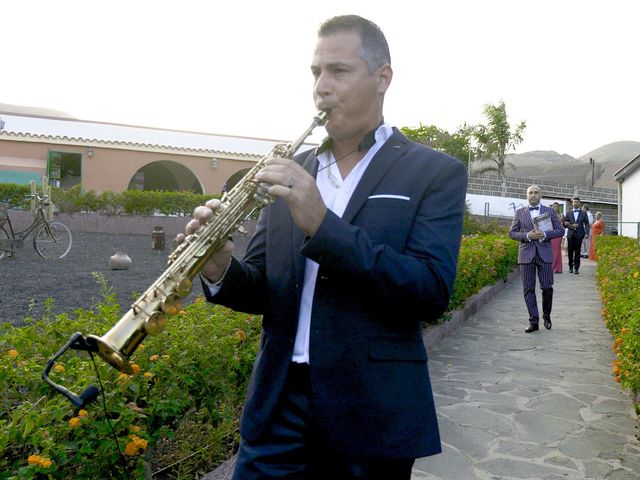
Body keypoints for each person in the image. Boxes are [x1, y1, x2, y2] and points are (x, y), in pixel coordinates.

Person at [176, 15, 467, 479]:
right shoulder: (291, 167)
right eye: (316, 73)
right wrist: (218, 266)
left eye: (339, 71)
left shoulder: (434, 172)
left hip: (370, 413)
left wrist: (322, 225)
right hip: (278, 406)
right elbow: (262, 290)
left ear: (383, 77)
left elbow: (430, 290)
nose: (321, 88)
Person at [508, 185, 564, 333]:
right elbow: (512, 233)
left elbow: (560, 230)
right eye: (530, 193)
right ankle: (534, 321)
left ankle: (547, 315)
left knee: (547, 287)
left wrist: (545, 235)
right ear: (527, 195)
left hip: (544, 254)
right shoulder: (520, 212)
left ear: (541, 195)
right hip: (526, 255)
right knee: (528, 289)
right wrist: (527, 236)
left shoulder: (550, 211)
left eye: (536, 193)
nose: (533, 195)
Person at [563, 197, 590, 274]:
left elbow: (587, 224)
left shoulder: (584, 213)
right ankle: (570, 267)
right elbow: (565, 224)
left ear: (579, 203)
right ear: (572, 203)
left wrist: (587, 233)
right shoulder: (568, 214)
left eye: (577, 202)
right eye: (574, 202)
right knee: (570, 251)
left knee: (578, 251)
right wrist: (571, 226)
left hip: (580, 234)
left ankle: (576, 268)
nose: (576, 203)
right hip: (570, 235)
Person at [550, 202, 563, 273]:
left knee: (557, 250)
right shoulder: (550, 215)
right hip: (552, 234)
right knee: (552, 250)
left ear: (558, 207)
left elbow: (562, 225)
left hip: (558, 234)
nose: (555, 208)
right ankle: (557, 268)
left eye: (556, 206)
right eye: (554, 206)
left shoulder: (561, 215)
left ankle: (555, 267)